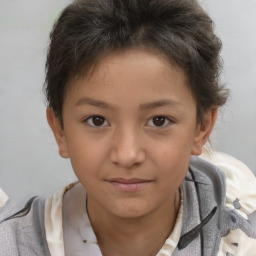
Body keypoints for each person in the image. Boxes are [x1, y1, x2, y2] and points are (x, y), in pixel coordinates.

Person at [0, 0, 256, 255]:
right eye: (97, 120)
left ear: (202, 127)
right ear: (60, 130)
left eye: (159, 120)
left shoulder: (241, 240)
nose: (127, 155)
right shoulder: (13, 243)